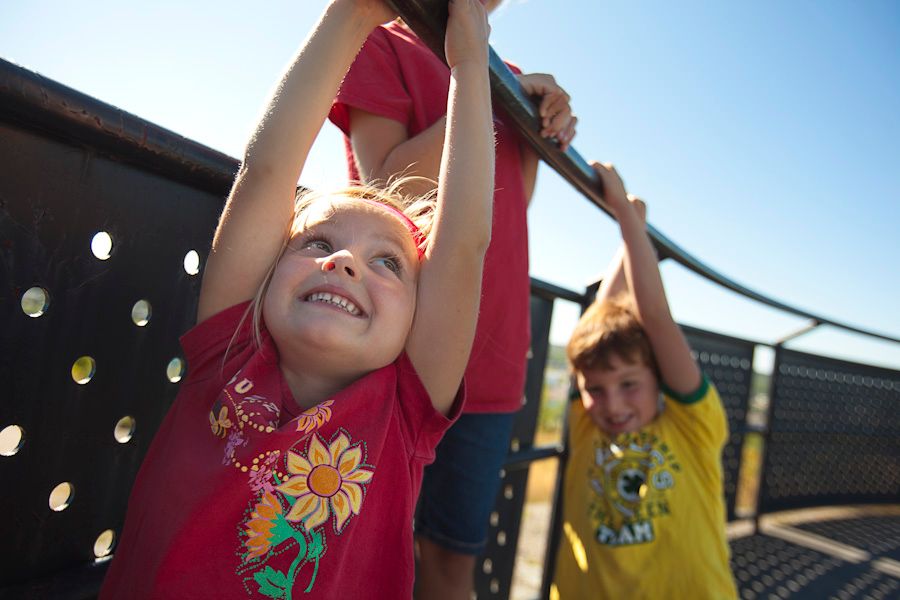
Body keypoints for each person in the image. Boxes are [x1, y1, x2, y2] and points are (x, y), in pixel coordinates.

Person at [99, 0, 495, 597]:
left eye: (388, 262)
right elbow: (266, 171)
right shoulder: (228, 355)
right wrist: (353, 12)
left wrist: (470, 61)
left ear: (418, 317)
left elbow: (463, 243)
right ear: (268, 273)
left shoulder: (402, 416)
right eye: (316, 242)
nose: (343, 261)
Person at [327, 3, 577, 597]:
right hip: (396, 354)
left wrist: (536, 117)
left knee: (451, 562)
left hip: (492, 363)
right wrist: (488, 95)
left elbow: (512, 202)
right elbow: (383, 187)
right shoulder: (381, 37)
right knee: (351, 554)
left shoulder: (504, 72)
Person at [551, 162, 738, 598]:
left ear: (659, 378)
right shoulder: (586, 424)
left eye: (629, 385)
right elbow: (606, 309)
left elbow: (654, 318)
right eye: (595, 389)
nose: (612, 405)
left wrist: (625, 216)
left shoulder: (693, 426)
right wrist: (634, 226)